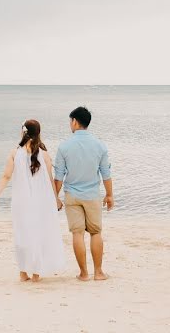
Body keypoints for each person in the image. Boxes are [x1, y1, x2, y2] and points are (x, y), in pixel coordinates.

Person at [0, 119, 65, 282]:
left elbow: (6, 176)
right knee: (38, 234)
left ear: (23, 132)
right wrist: (56, 199)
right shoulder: (44, 154)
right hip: (41, 202)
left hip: (21, 202)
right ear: (39, 133)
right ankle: (36, 273)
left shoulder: (14, 153)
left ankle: (23, 272)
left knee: (22, 234)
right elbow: (50, 180)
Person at [53, 106, 113, 281]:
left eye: (70, 122)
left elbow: (58, 177)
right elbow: (106, 174)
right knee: (95, 233)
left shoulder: (64, 147)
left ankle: (84, 273)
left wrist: (54, 197)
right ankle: (99, 272)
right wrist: (109, 195)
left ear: (74, 121)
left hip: (72, 195)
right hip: (93, 195)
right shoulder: (100, 145)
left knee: (77, 234)